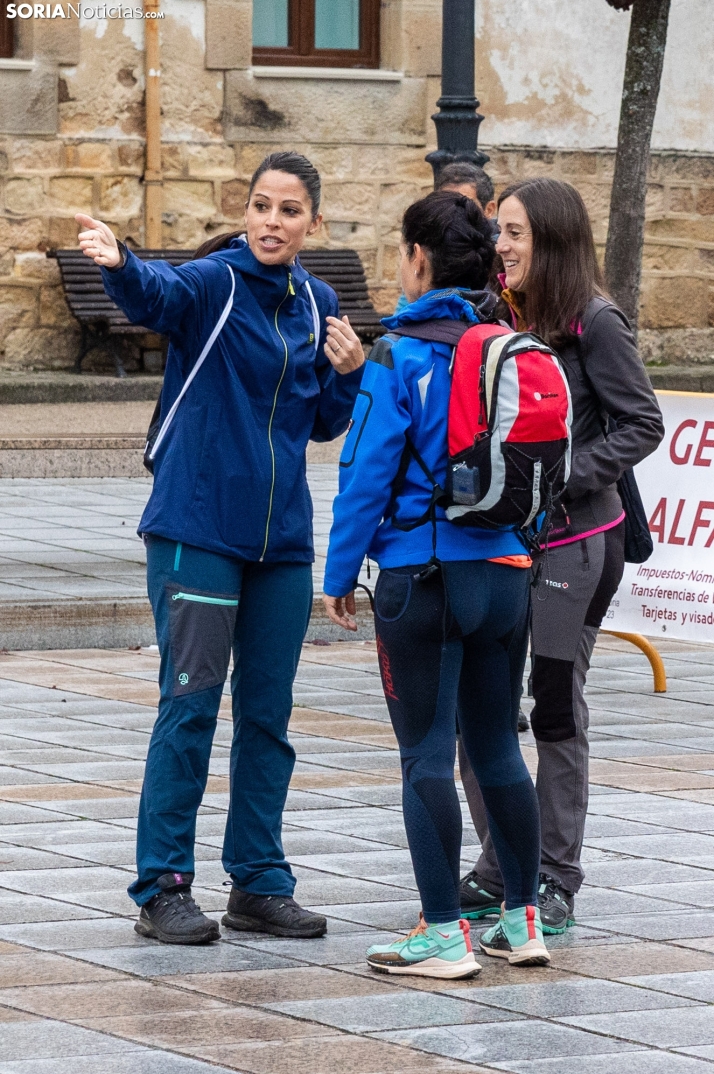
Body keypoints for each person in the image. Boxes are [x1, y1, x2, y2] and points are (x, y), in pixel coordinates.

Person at [75, 151, 365, 945]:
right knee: (192, 706)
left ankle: (259, 883)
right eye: (262, 205)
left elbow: (324, 420)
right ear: (246, 212)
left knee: (267, 717)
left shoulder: (318, 301)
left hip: (281, 543)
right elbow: (157, 294)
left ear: (314, 223)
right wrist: (122, 263)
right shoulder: (217, 283)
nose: (273, 221)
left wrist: (350, 372)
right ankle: (162, 887)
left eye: (290, 210)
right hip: (197, 529)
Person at [323, 190, 551, 978]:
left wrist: (340, 571)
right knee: (496, 750)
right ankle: (523, 923)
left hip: (424, 576)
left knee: (425, 754)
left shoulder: (400, 352)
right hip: (506, 573)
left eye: (402, 251)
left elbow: (364, 473)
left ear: (420, 259)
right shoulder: (506, 343)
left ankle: (442, 934)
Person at [458, 177, 664, 934]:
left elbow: (642, 423)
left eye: (515, 233)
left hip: (577, 543)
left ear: (553, 239)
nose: (501, 247)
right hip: (499, 540)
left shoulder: (595, 320)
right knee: (478, 706)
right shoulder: (494, 312)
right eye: (496, 232)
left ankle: (555, 877)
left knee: (551, 710)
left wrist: (565, 475)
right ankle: (499, 864)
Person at [393, 161, 497, 316]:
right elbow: (404, 311)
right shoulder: (429, 246)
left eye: (465, 204)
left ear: (489, 210)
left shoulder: (500, 253)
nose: (454, 212)